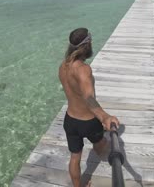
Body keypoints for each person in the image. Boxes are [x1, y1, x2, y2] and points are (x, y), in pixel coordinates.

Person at [59, 27, 120, 187]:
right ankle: (101, 150)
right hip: (88, 122)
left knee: (75, 156)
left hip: (70, 120)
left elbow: (76, 93)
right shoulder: (84, 70)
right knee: (101, 145)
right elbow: (88, 98)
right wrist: (105, 117)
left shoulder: (63, 66)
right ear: (87, 45)